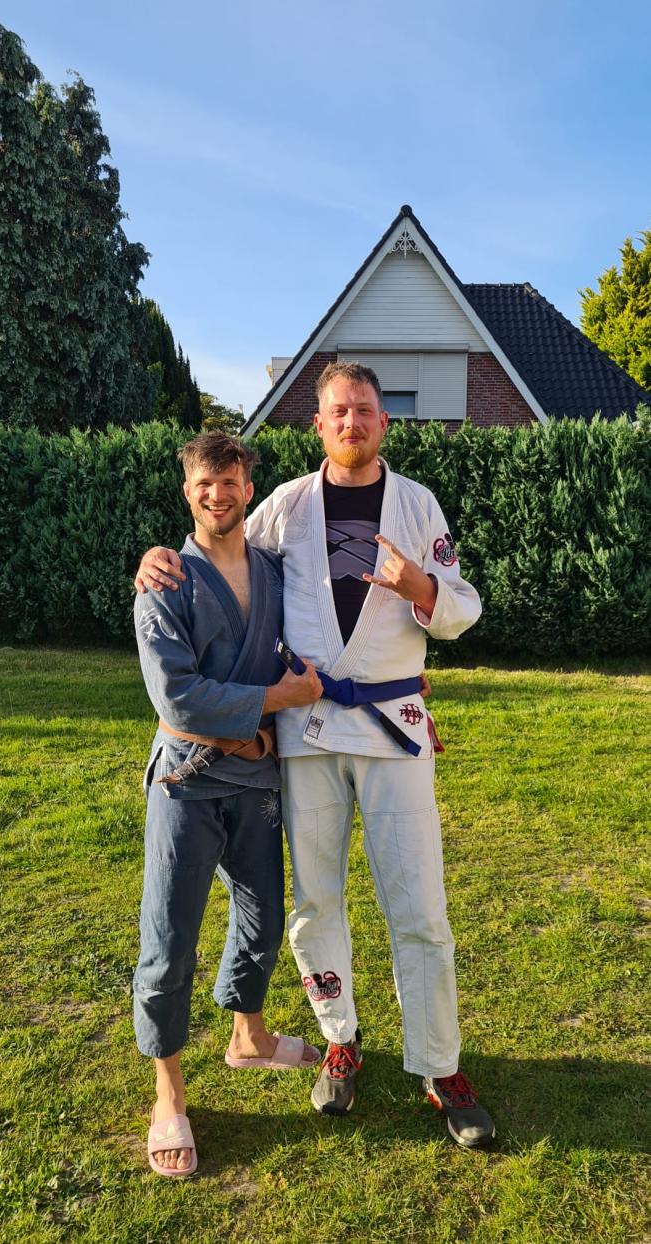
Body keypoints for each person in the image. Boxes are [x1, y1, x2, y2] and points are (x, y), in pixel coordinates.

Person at [135, 363, 495, 1148]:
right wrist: (158, 557)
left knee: (420, 906)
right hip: (309, 732)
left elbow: (463, 607)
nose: (352, 422)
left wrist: (421, 588)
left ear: (383, 423)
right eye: (339, 411)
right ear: (319, 423)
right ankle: (339, 1036)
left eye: (365, 410)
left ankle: (439, 1065)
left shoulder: (417, 504)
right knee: (315, 902)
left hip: (395, 729)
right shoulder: (287, 505)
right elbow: (223, 548)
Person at [133, 431, 323, 1178]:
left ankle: (250, 1036)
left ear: (249, 487)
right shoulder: (166, 582)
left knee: (264, 918)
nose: (218, 494)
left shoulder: (274, 570)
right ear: (189, 492)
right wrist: (273, 704)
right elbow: (176, 696)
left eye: (231, 481)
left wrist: (396, 678)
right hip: (187, 783)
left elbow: (322, 628)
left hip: (255, 782)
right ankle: (168, 1092)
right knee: (169, 938)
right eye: (204, 484)